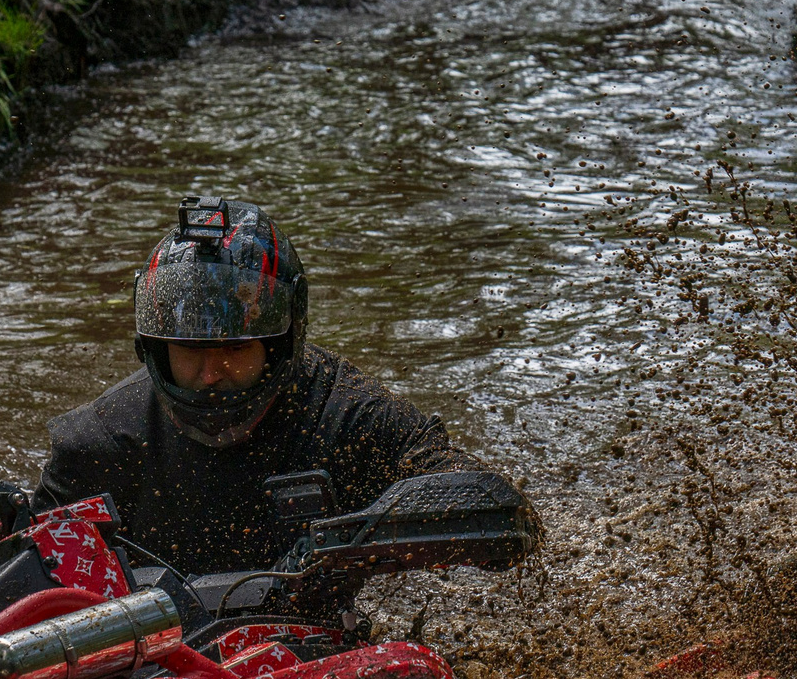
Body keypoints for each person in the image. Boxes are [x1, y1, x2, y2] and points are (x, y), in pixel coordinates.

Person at [33, 196, 515, 579]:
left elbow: (505, 517)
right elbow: (25, 591)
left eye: (235, 349)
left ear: (281, 342)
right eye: (190, 351)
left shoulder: (351, 419)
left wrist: (358, 545)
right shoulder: (96, 446)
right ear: (157, 350)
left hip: (316, 651)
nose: (210, 375)